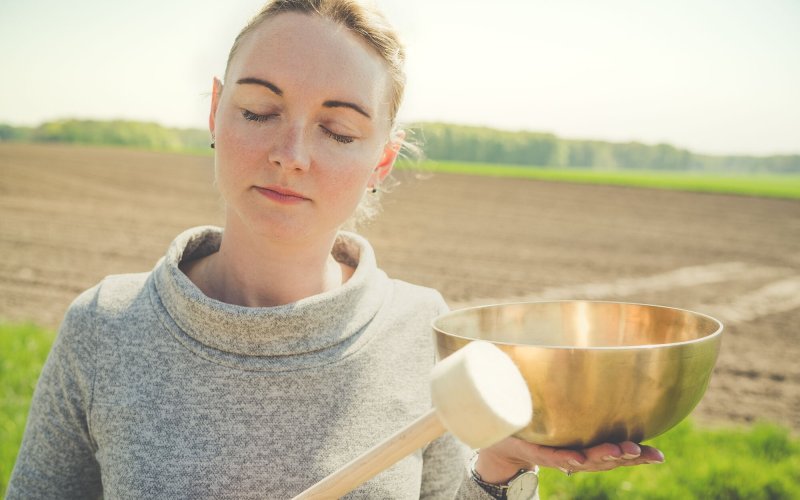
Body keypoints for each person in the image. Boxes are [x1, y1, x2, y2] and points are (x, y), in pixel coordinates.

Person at [7, 0, 663, 498]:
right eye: (259, 112)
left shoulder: (422, 331)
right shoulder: (105, 326)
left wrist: (500, 470)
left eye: (339, 130)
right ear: (215, 112)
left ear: (382, 158)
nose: (289, 156)